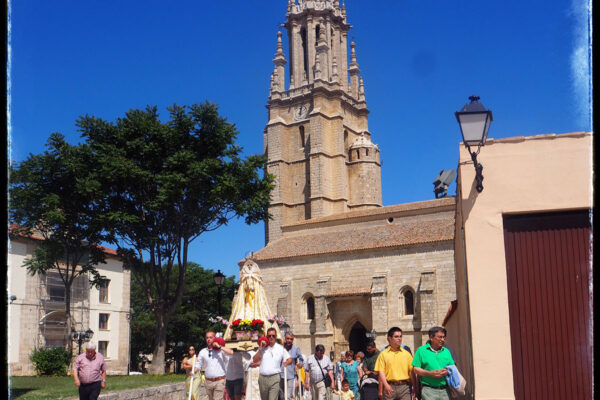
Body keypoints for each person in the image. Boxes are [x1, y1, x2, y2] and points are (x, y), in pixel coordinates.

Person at [412, 327, 455, 400]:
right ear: (431, 337)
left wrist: (447, 371)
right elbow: (416, 369)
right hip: (428, 391)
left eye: (444, 337)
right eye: (440, 337)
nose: (442, 340)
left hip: (445, 391)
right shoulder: (421, 350)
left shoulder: (447, 351)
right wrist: (430, 373)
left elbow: (452, 367)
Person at [374, 327, 416, 400]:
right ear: (389, 338)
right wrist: (386, 385)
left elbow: (411, 372)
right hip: (389, 387)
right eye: (396, 336)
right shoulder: (383, 354)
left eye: (400, 336)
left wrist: (414, 387)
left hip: (405, 387)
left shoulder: (407, 354)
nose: (399, 338)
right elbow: (381, 372)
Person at [253, 328, 293, 400]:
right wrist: (261, 349)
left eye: (273, 336)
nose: (271, 337)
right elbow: (255, 359)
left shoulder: (280, 348)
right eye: (269, 336)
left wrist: (287, 362)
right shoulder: (262, 348)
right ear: (266, 336)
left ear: (276, 336)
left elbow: (290, 359)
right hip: (263, 378)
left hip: (275, 378)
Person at [196, 331, 234, 400]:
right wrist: (194, 371)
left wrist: (220, 347)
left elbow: (231, 353)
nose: (208, 339)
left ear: (215, 338)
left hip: (220, 381)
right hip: (208, 381)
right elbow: (198, 364)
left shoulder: (221, 350)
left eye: (211, 337)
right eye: (207, 338)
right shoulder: (203, 351)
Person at [280, 332, 304, 400]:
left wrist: (300, 364)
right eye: (287, 338)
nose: (289, 340)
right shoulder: (280, 347)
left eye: (291, 339)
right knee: (281, 396)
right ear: (285, 338)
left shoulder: (296, 348)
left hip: (290, 376)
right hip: (280, 375)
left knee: (287, 396)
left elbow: (301, 359)